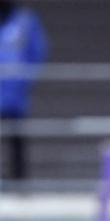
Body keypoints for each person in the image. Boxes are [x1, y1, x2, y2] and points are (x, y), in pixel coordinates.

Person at [0, 0, 47, 180]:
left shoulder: (25, 20)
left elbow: (37, 51)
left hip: (14, 94)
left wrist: (25, 79)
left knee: (16, 140)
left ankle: (18, 181)